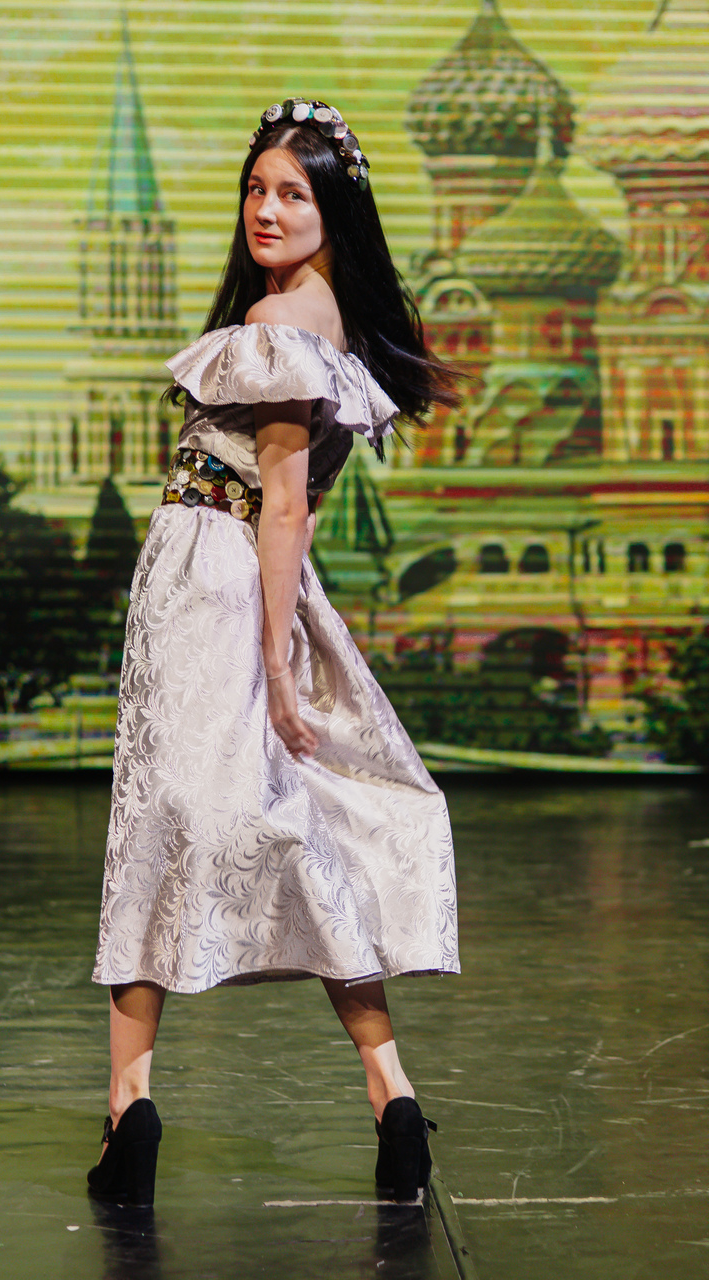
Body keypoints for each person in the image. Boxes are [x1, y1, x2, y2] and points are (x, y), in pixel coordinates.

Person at [87, 98, 463, 1211]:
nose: (266, 208)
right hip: (240, 574)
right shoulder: (329, 319)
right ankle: (390, 1091)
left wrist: (278, 660)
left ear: (333, 209)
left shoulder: (280, 323)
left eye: (293, 192)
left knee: (157, 824)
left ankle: (130, 1107)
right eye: (256, 189)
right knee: (301, 830)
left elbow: (285, 502)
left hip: (212, 574)